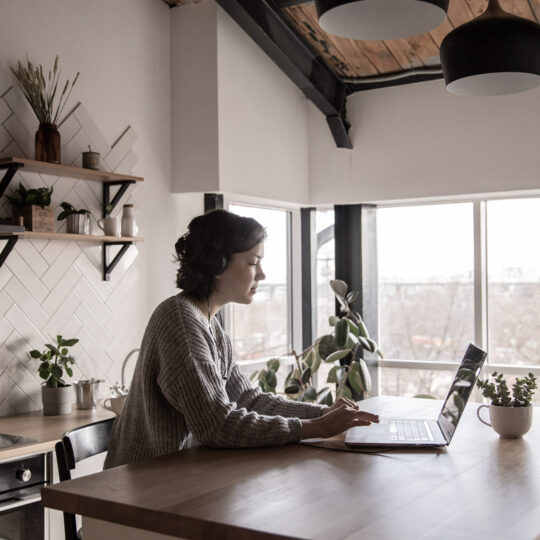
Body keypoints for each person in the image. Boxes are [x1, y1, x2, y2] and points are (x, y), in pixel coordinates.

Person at [104, 209, 378, 468]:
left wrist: (322, 413)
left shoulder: (208, 324)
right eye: (253, 262)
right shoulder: (180, 322)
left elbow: (247, 399)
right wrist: (315, 428)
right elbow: (217, 425)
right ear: (216, 265)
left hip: (179, 476)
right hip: (136, 490)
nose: (262, 274)